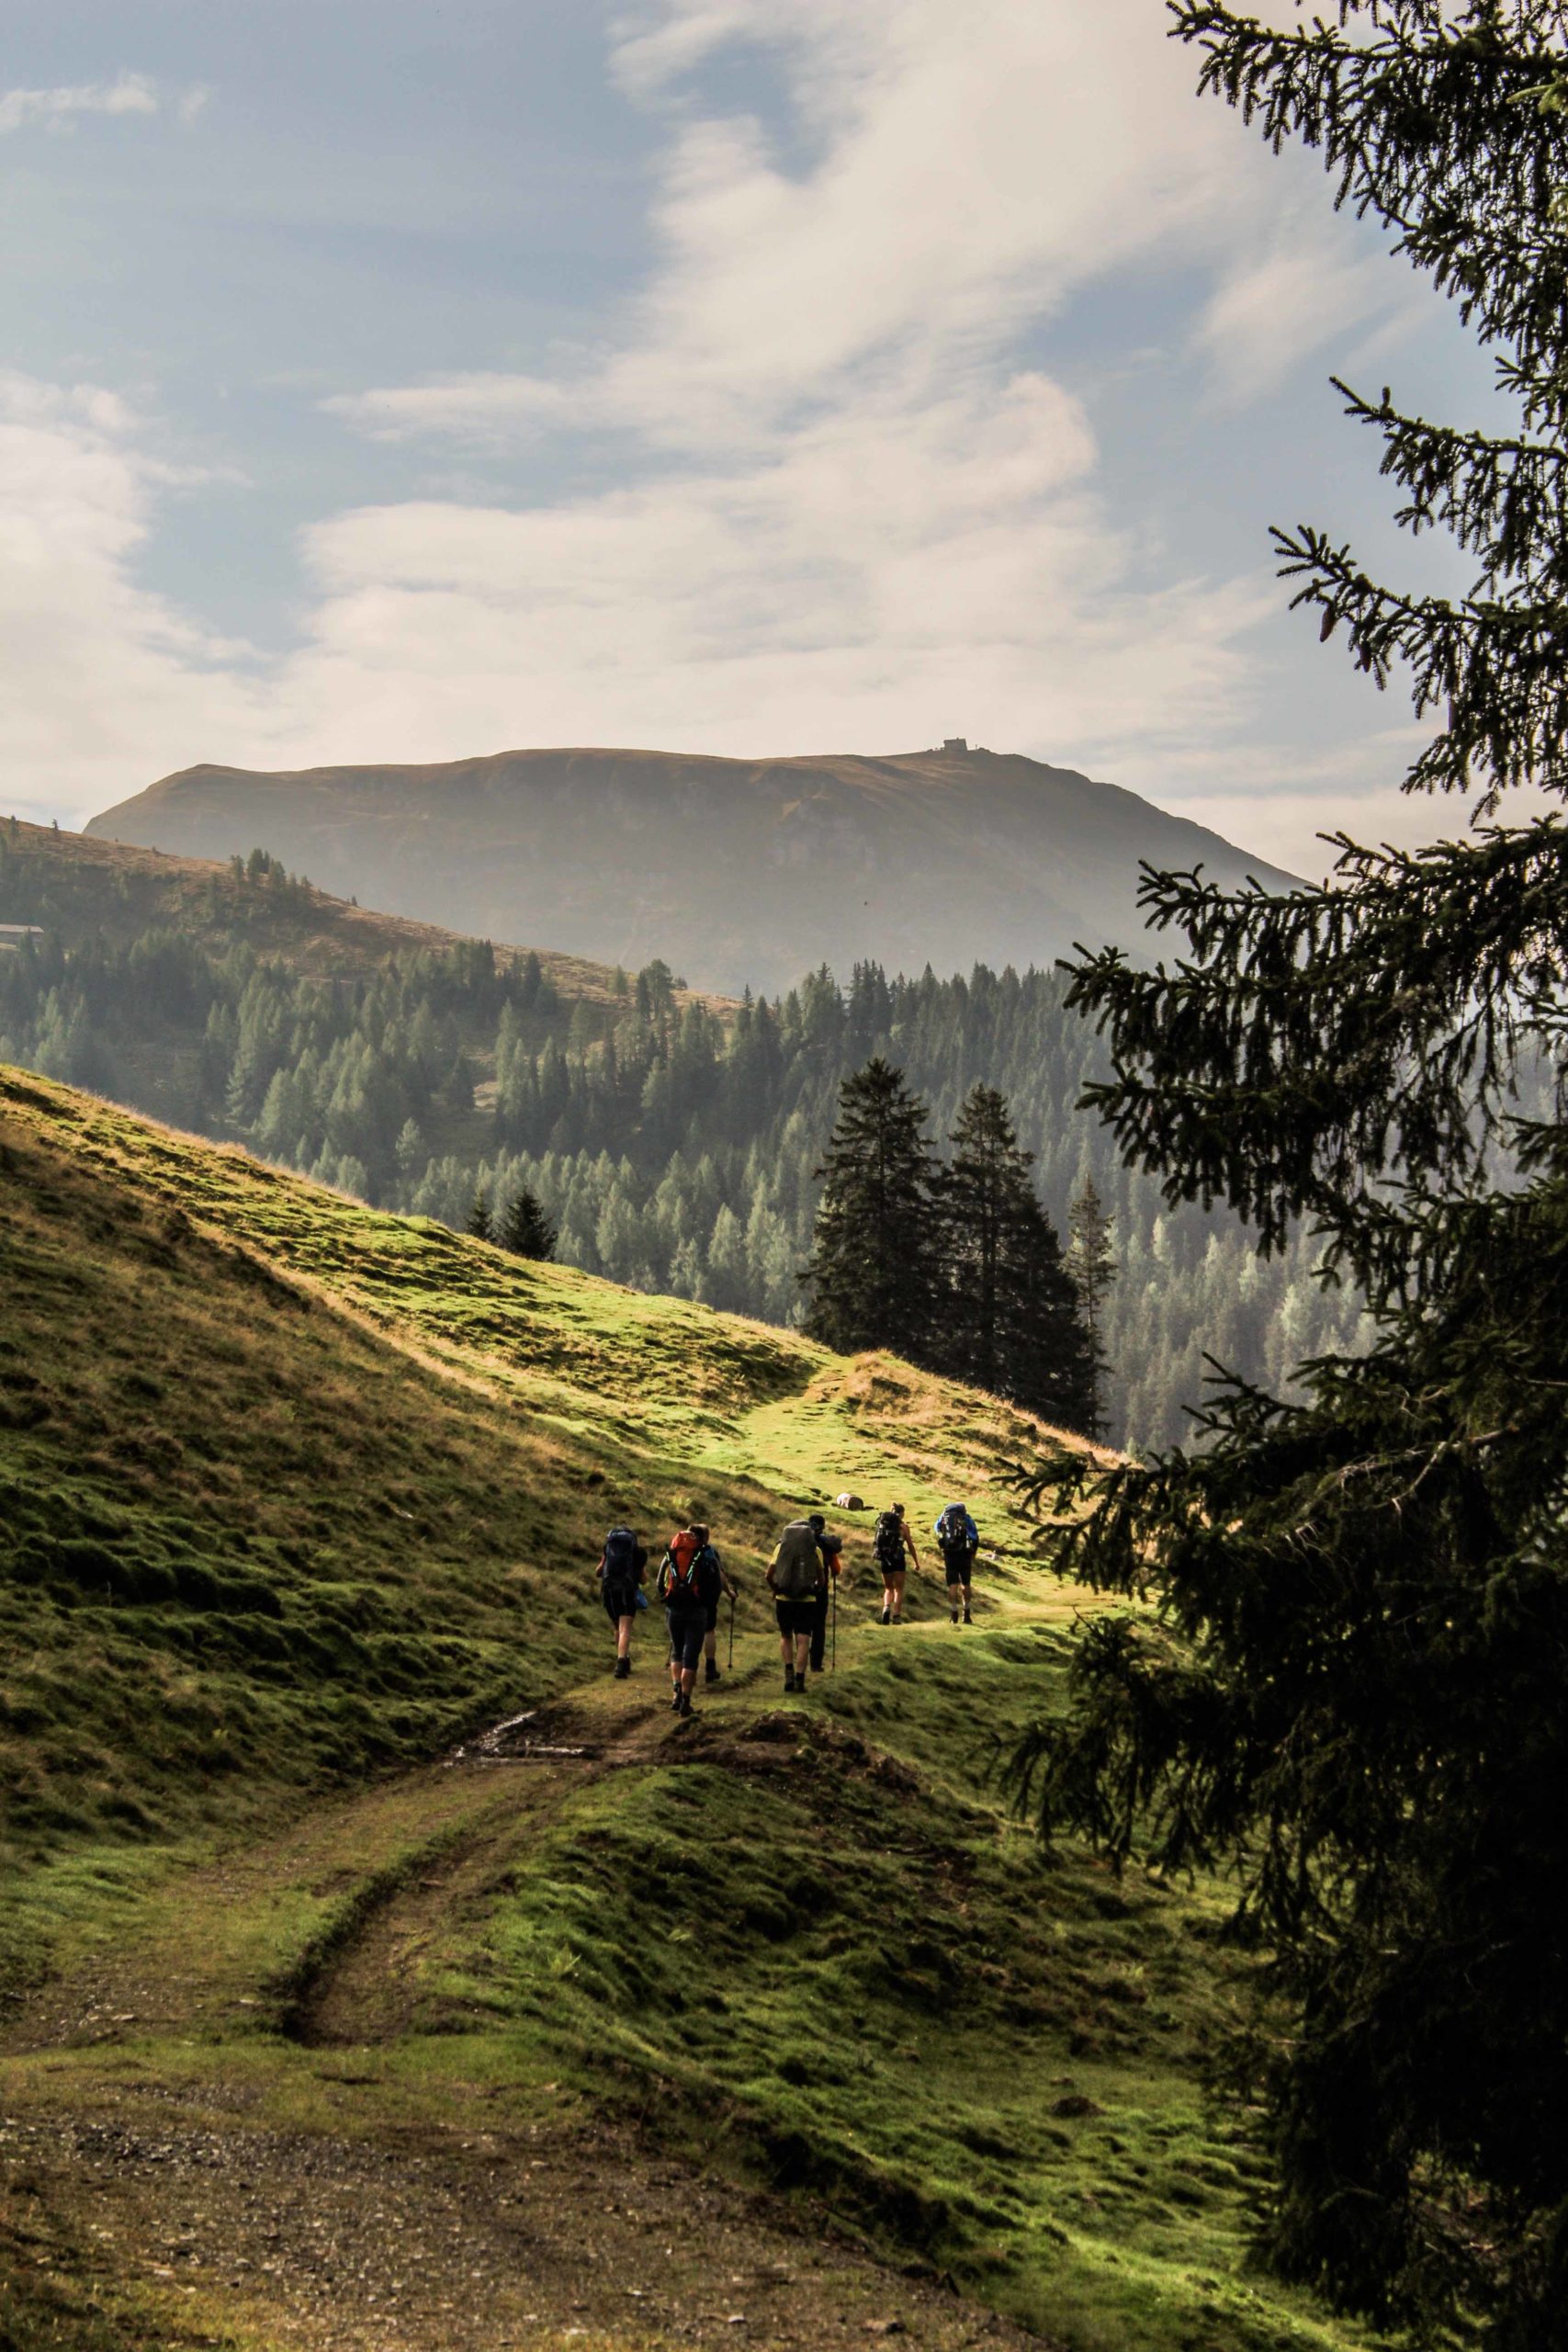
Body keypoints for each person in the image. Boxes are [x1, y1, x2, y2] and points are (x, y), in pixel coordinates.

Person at [658, 1521, 724, 1717]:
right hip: (697, 1610)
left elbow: (659, 1581)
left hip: (674, 1609)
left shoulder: (672, 1554)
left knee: (677, 1652)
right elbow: (716, 1585)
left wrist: (667, 1599)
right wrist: (707, 1605)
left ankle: (675, 1694)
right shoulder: (706, 1556)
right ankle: (686, 1701)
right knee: (691, 1657)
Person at [768, 1517, 824, 1693]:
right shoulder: (815, 1550)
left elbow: (768, 1575)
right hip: (807, 1600)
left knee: (786, 1636)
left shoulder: (780, 1547)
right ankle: (800, 1679)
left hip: (783, 1599)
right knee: (803, 1639)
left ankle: (789, 1673)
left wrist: (775, 1589)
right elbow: (821, 1577)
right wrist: (816, 1589)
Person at [598, 1524, 648, 1678]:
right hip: (626, 1590)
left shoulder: (608, 1549)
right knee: (625, 1627)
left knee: (616, 1626)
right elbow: (643, 1580)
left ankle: (623, 1660)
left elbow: (598, 1571)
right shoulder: (638, 1553)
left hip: (608, 1590)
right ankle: (621, 1664)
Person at [701, 1532, 741, 1685]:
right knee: (708, 1630)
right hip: (707, 1598)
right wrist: (729, 1592)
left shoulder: (680, 1550)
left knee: (686, 1632)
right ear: (706, 1537)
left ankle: (683, 1666)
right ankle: (710, 1667)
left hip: (682, 1599)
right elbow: (720, 1575)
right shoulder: (710, 1552)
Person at [872, 1502, 919, 1624]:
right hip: (898, 1559)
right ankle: (896, 1616)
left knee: (888, 1588)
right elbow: (910, 1546)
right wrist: (916, 1562)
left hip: (884, 1558)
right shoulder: (903, 1528)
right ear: (902, 1513)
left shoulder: (882, 1525)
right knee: (898, 1589)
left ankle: (886, 1607)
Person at [807, 1511, 842, 1675]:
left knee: (802, 1627)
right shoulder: (826, 1545)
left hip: (801, 1589)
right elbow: (836, 1569)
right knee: (818, 1627)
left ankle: (798, 1660)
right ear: (823, 1527)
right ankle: (815, 1664)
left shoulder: (800, 1541)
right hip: (820, 1590)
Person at [933, 1502, 979, 1624]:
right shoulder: (966, 1519)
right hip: (964, 1554)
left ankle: (954, 1614)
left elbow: (936, 1530)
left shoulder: (943, 1518)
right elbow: (974, 1537)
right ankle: (966, 1613)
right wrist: (973, 1553)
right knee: (966, 1583)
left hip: (949, 1555)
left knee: (952, 1585)